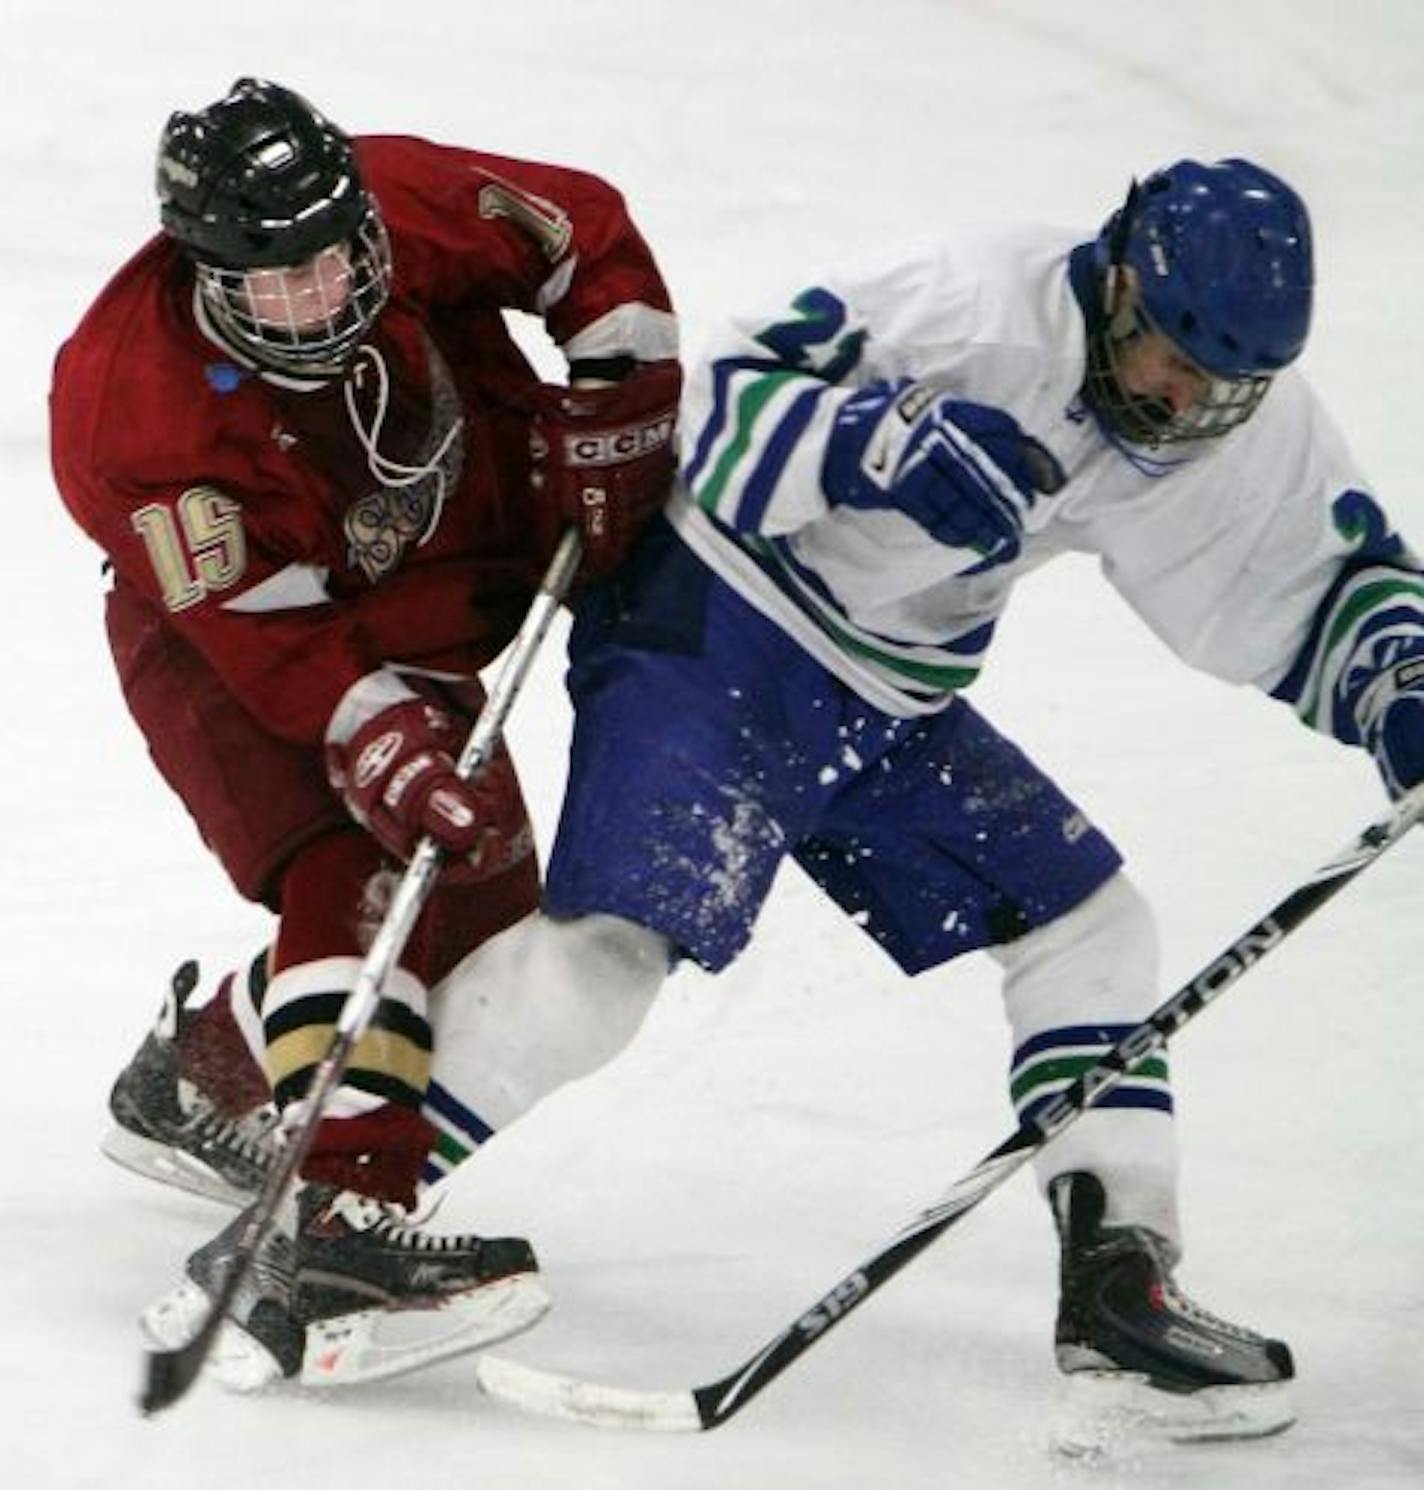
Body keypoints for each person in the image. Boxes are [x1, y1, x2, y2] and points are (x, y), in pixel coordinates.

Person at [418, 157, 1424, 1438]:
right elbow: (719, 411)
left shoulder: (1227, 415)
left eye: (1223, 384)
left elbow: (1318, 583)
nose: (1184, 399)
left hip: (885, 698)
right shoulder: (969, 299)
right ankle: (340, 1206)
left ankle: (1119, 1278)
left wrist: (1396, 684)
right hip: (713, 616)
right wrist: (867, 446)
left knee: (1090, 926)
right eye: (1169, 355)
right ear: (1119, 277)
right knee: (611, 956)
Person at [49, 77, 680, 1389]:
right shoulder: (134, 410)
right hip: (228, 643)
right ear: (204, 269)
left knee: (485, 906)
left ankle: (205, 1072)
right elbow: (275, 640)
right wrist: (376, 738)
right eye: (273, 287)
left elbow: (581, 231)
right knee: (363, 853)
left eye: (334, 264)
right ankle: (339, 1227)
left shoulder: (408, 194)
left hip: (428, 606)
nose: (317, 302)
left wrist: (624, 393)